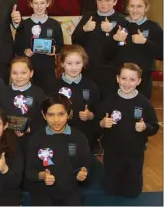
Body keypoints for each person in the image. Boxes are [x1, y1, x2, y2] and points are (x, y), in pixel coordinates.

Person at [97, 63, 159, 198]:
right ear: (117, 78)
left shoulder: (144, 103)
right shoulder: (109, 101)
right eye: (124, 78)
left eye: (132, 79)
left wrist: (145, 127)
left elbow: (154, 127)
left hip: (134, 153)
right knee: (110, 190)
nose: (127, 83)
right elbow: (96, 122)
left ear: (139, 81)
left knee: (132, 192)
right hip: (112, 152)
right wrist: (102, 123)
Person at [26, 93, 91, 206]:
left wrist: (84, 173)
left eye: (61, 114)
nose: (56, 120)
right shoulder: (36, 139)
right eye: (51, 115)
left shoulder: (79, 137)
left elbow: (87, 165)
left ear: (69, 114)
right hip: (43, 192)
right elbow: (30, 172)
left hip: (71, 191)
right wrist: (43, 176)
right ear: (44, 115)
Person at [72, 0, 127, 100]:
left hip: (110, 71)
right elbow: (75, 40)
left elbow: (124, 47)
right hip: (89, 68)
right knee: (89, 101)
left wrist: (110, 32)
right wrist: (84, 29)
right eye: (100, 0)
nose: (103, 4)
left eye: (107, 0)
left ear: (115, 2)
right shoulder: (88, 17)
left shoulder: (122, 20)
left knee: (108, 101)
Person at [109, 0, 163, 99]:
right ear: (127, 7)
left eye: (139, 6)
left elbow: (161, 53)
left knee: (140, 111)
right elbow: (107, 54)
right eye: (132, 6)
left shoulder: (154, 27)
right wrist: (114, 39)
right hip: (121, 78)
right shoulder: (120, 25)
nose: (135, 10)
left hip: (143, 78)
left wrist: (145, 42)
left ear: (146, 8)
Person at [14, 0, 63, 94]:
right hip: (28, 69)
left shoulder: (54, 24)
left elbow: (60, 45)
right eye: (36, 3)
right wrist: (24, 51)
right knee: (31, 96)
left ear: (47, 4)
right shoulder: (24, 25)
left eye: (42, 3)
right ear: (31, 4)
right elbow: (17, 47)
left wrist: (55, 50)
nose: (39, 6)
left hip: (48, 69)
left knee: (49, 96)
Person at [53, 45, 100, 151]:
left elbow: (98, 111)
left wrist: (90, 116)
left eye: (78, 63)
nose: (74, 67)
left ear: (84, 63)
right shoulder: (54, 86)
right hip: (61, 135)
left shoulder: (91, 86)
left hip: (85, 136)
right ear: (62, 64)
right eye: (69, 63)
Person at [3, 57, 46, 155]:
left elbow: (44, 118)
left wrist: (29, 128)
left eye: (23, 73)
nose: (19, 77)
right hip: (7, 141)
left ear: (31, 73)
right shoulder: (3, 92)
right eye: (14, 73)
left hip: (32, 141)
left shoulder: (39, 93)